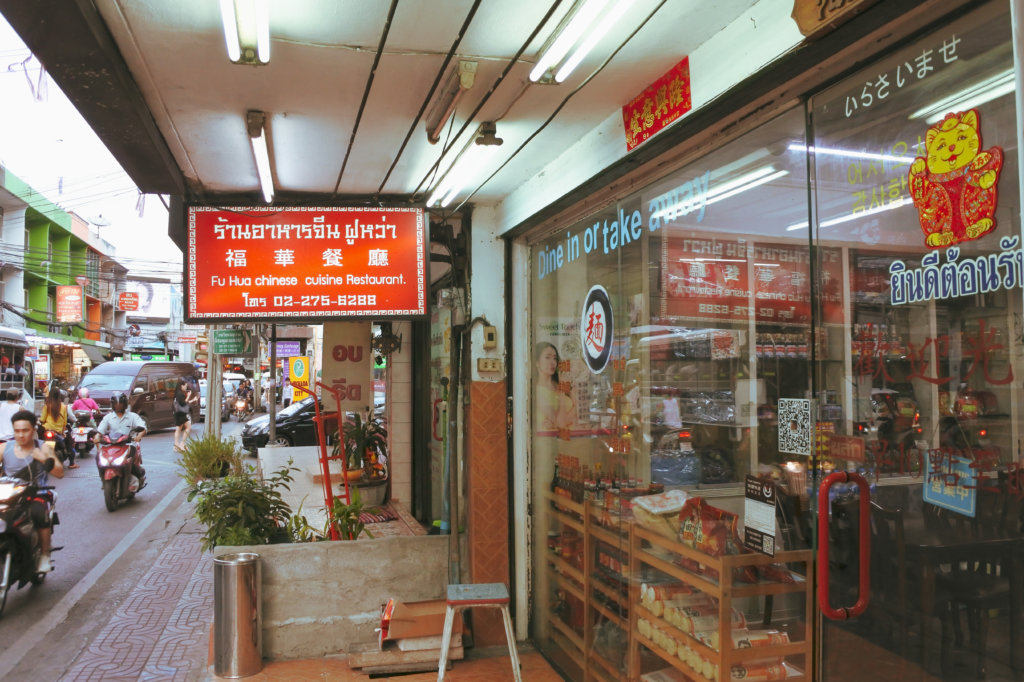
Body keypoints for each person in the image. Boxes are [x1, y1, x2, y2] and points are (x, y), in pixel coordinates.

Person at [1, 410, 64, 572]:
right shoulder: (4, 448)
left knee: (38, 512)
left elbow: (59, 472)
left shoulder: (43, 447)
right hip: (10, 495)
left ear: (33, 430)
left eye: (25, 430)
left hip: (37, 494)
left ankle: (44, 555)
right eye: (17, 431)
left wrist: (43, 459)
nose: (21, 435)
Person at [94, 392, 147, 488]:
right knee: (99, 457)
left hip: (129, 445)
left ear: (125, 404)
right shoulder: (108, 417)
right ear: (113, 405)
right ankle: (103, 479)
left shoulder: (133, 416)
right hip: (112, 446)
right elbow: (100, 431)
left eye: (120, 404)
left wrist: (139, 436)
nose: (118, 406)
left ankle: (139, 475)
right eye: (116, 404)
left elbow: (143, 428)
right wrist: (97, 437)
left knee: (131, 459)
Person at [534, 341, 575, 438]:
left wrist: (557, 423)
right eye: (547, 357)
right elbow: (561, 424)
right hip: (552, 441)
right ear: (537, 363)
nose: (552, 362)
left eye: (555, 358)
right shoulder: (536, 391)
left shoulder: (562, 382)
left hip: (573, 437)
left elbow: (579, 406)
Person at [40, 388, 72, 468]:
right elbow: (64, 422)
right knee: (69, 442)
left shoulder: (47, 406)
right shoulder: (64, 407)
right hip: (58, 431)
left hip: (47, 429)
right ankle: (72, 462)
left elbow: (42, 419)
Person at [172, 379, 196, 452]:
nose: (186, 387)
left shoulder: (176, 393)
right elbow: (184, 403)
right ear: (181, 386)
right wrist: (189, 396)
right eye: (185, 386)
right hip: (181, 414)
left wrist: (191, 399)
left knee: (178, 428)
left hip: (177, 413)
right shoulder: (181, 394)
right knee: (188, 427)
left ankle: (176, 445)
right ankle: (182, 444)